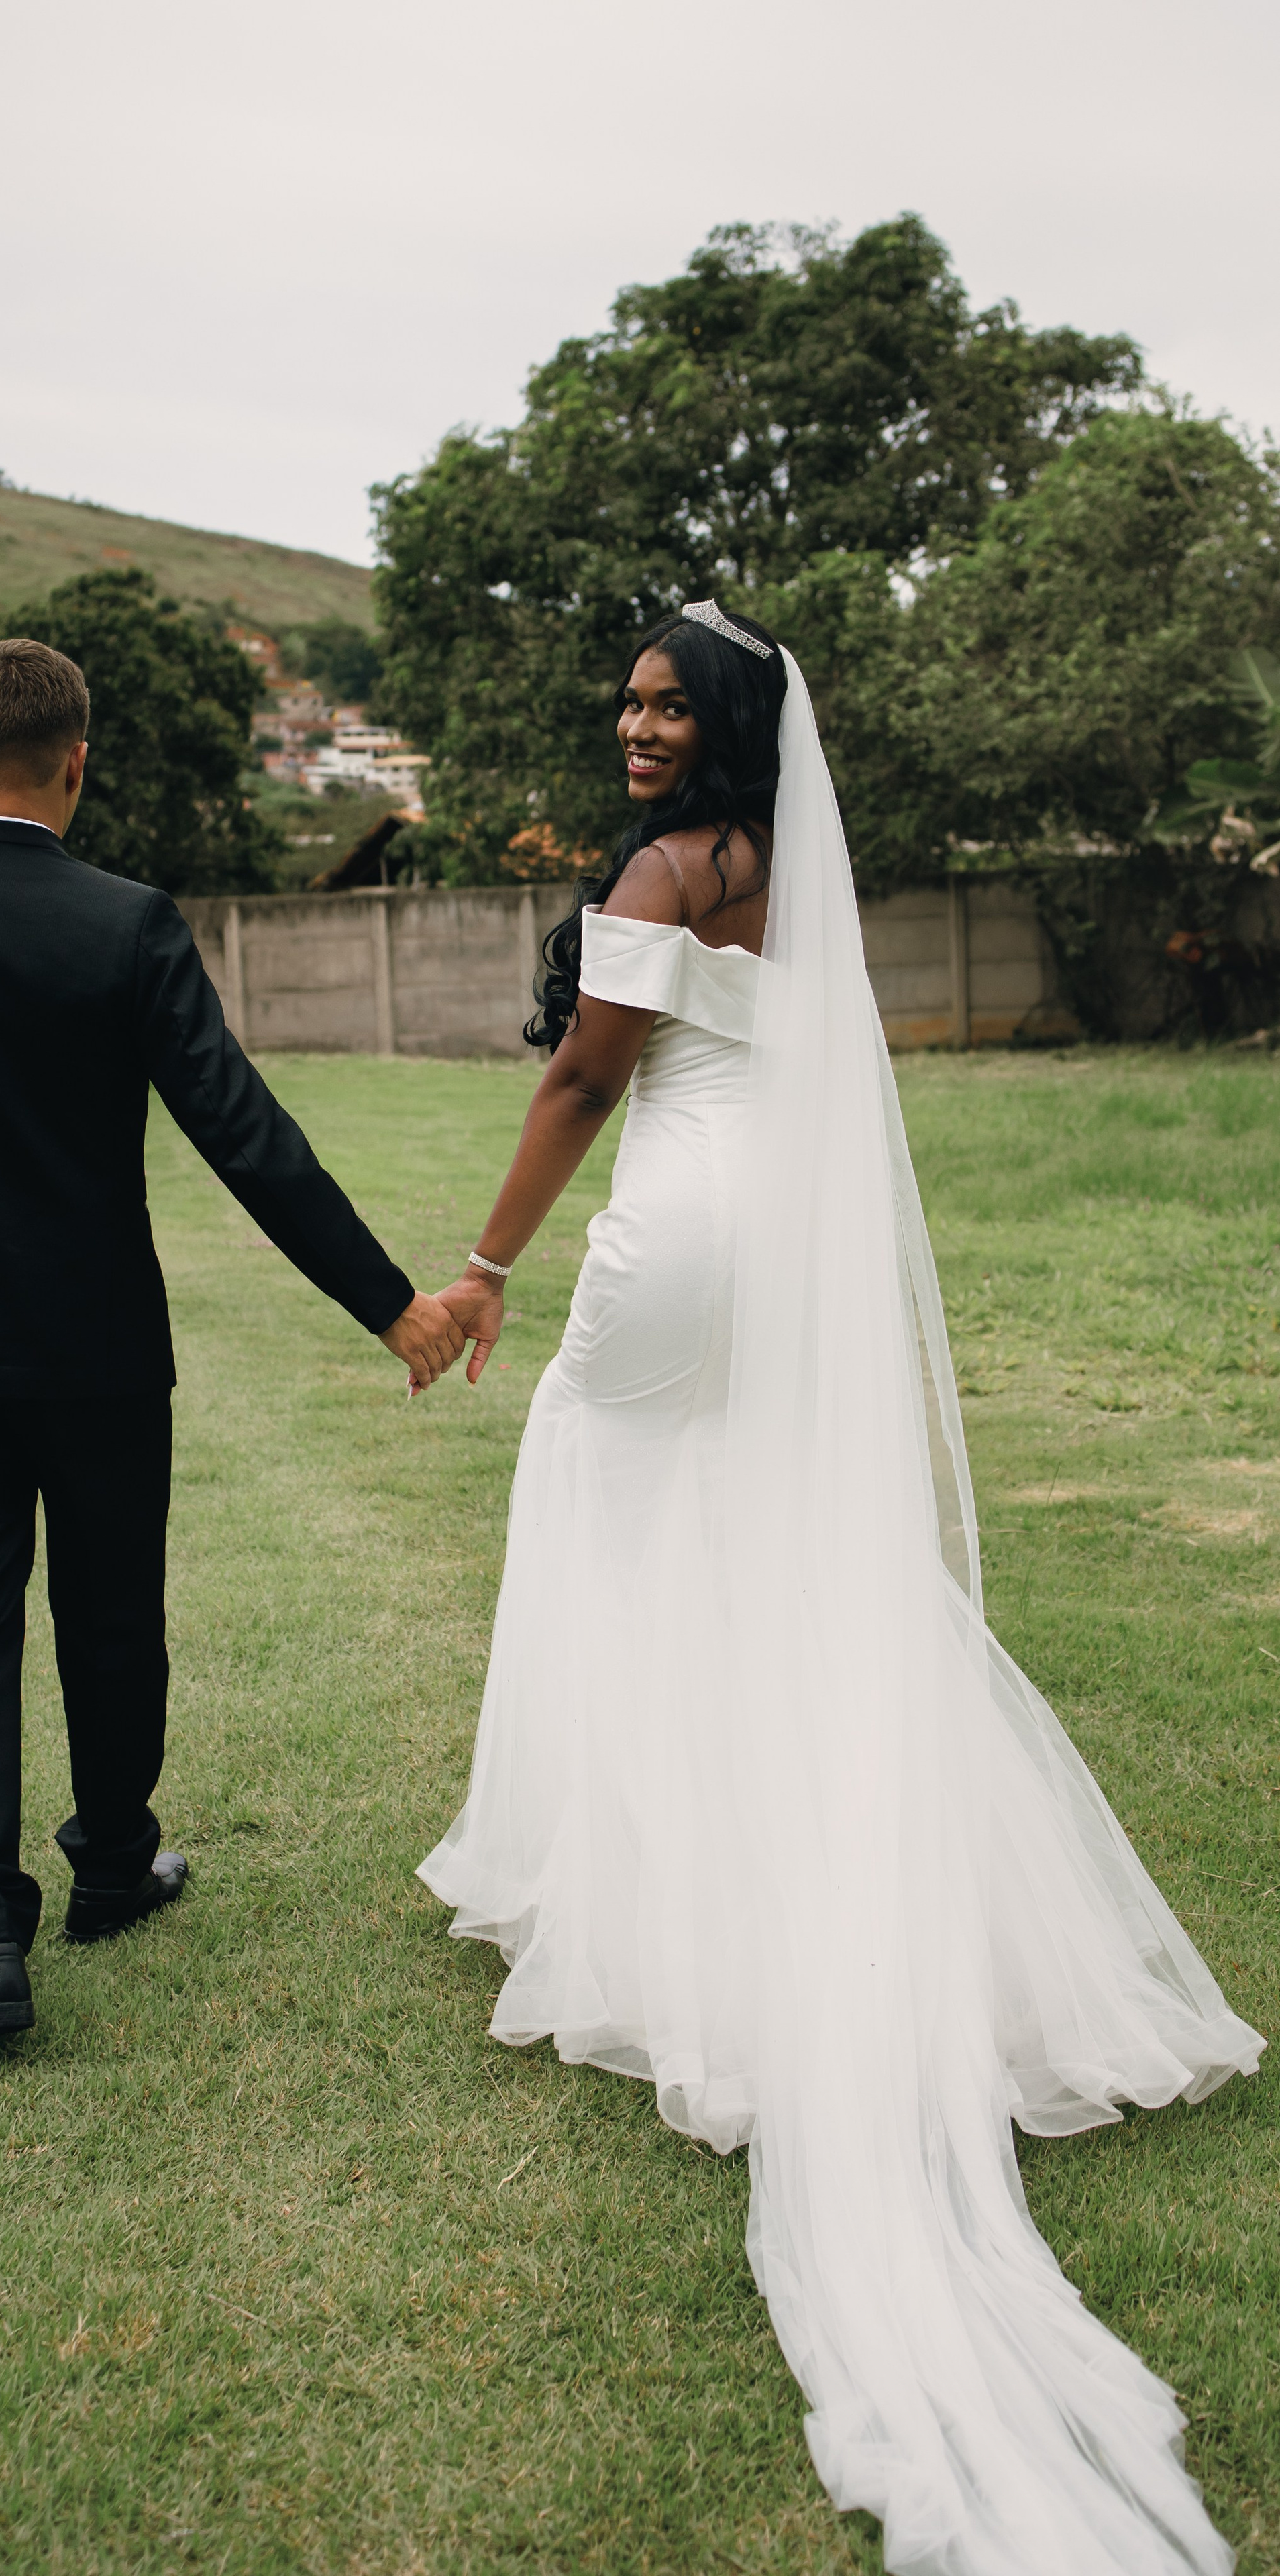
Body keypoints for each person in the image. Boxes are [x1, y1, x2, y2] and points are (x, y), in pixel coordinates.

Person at [421, 602, 1265, 2573]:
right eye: (627, 701)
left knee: (594, 1488)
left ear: (729, 723)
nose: (637, 726)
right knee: (766, 1540)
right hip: (777, 1252)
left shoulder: (666, 872)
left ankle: (617, 1883)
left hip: (674, 1237)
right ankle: (761, 1863)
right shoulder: (792, 867)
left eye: (670, 704)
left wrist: (483, 1269)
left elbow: (583, 1085)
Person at [0, 636, 462, 2041]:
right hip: (94, 1350)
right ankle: (109, 1866)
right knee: (109, 1609)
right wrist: (389, 1303)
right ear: (77, 766)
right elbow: (245, 1135)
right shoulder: (128, 925)